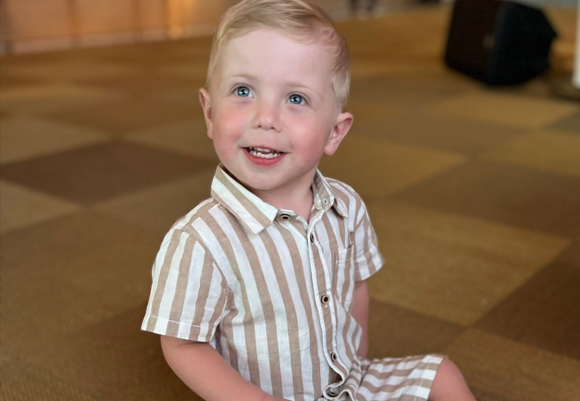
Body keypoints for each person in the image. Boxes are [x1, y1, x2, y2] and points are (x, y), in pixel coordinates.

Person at [141, 1, 477, 400]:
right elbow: (182, 344)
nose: (266, 117)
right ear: (210, 113)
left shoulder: (346, 207)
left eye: (296, 99)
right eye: (243, 91)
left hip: (347, 382)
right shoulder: (201, 240)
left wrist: (357, 358)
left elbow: (356, 285)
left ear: (335, 132)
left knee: (443, 375)